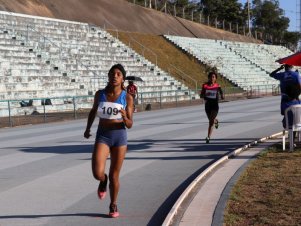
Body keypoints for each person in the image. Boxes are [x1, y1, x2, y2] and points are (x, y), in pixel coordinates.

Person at [84, 64, 134, 218]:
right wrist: (87, 129)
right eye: (112, 73)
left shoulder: (127, 97)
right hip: (103, 135)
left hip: (119, 136)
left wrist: (125, 117)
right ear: (108, 76)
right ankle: (102, 181)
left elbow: (130, 124)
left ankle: (113, 204)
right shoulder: (100, 94)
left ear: (122, 78)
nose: (115, 76)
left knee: (115, 175)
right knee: (97, 173)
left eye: (118, 74)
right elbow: (93, 111)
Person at [200, 71, 224, 144]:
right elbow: (201, 95)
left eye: (213, 77)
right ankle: (216, 121)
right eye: (210, 77)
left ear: (215, 78)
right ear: (208, 78)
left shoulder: (217, 86)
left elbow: (221, 93)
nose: (212, 78)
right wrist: (204, 95)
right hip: (207, 106)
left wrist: (222, 96)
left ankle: (208, 137)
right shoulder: (205, 86)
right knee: (212, 120)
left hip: (215, 106)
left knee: (210, 122)